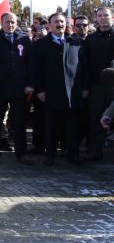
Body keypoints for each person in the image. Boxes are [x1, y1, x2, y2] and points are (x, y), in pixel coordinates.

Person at [34, 12, 85, 166]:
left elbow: (84, 67)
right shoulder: (42, 44)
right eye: (56, 21)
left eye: (62, 21)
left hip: (72, 93)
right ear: (49, 25)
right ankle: (50, 156)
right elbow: (37, 69)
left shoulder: (75, 42)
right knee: (51, 127)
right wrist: (40, 90)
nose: (60, 24)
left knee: (72, 127)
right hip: (51, 92)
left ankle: (73, 155)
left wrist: (85, 88)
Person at [0, 12, 34, 165]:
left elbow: (30, 64)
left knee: (19, 122)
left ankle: (21, 153)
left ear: (16, 23)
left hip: (19, 88)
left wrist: (29, 84)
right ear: (1, 23)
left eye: (13, 22)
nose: (10, 25)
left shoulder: (24, 39)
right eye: (7, 22)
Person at [81, 7, 114, 161]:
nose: (102, 18)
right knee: (95, 118)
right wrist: (86, 86)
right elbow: (85, 64)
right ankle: (95, 151)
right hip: (96, 86)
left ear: (112, 17)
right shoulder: (90, 39)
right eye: (99, 16)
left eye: (105, 15)